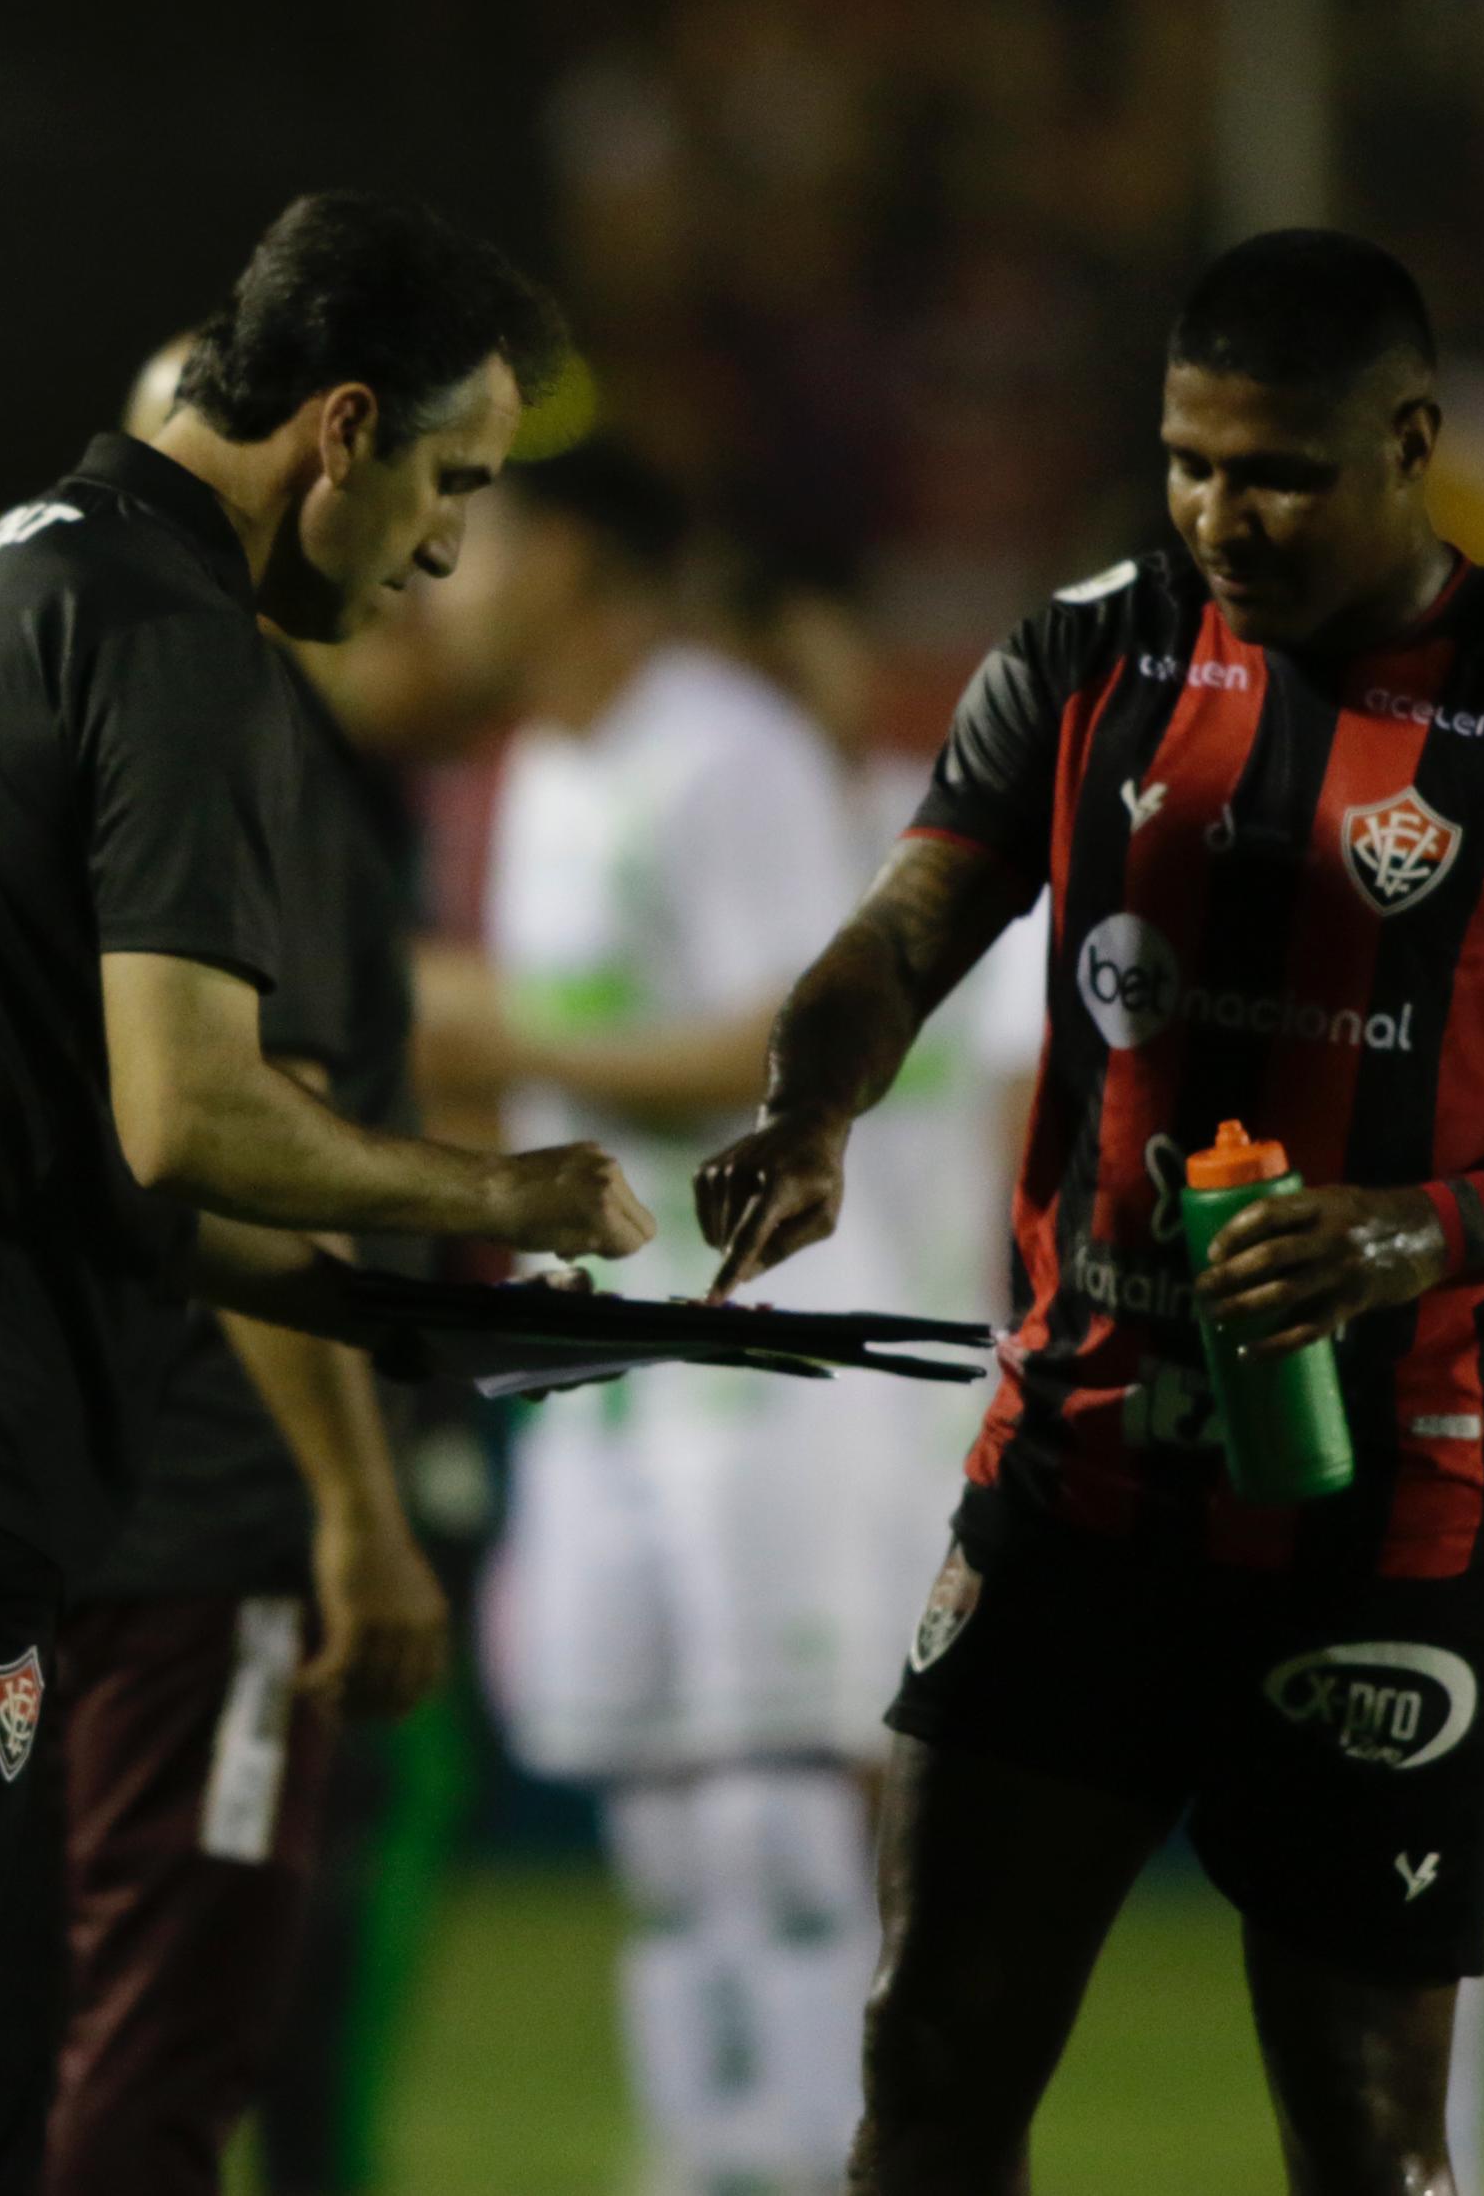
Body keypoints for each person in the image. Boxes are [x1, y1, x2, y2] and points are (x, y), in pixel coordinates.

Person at [694, 230, 1484, 2196]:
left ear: (1410, 440)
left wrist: (1408, 1231)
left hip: (1391, 1513)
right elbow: (898, 933)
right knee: (924, 2067)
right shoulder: (1086, 653)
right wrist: (807, 1103)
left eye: (1275, 468)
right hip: (1080, 1478)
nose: (1222, 512)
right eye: (1191, 460)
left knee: (1364, 2128)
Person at [0, 191, 653, 2188]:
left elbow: (71, 1125)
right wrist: (494, 1184)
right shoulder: (170, 638)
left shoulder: (14, 573)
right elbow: (188, 1112)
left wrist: (402, 1300)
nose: (448, 540)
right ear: (340, 428)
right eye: (449, 477)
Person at [422, 440, 916, 2196]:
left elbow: (798, 1043)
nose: (447, 573)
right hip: (610, 1348)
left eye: (477, 547)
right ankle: (709, 2147)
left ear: (565, 558)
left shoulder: (724, 750)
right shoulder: (541, 765)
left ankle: (815, 2150)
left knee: (779, 1795)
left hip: (756, 1349)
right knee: (655, 1788)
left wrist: (519, 1051)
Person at [36, 339, 452, 2196]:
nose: (441, 544)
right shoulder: (240, 742)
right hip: (211, 1505)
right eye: (451, 483)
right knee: (163, 2035)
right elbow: (245, 1133)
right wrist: (357, 1506)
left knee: (43, 2016)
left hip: (39, 1475)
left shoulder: (40, 684)